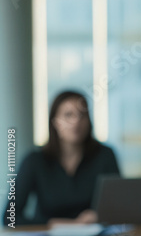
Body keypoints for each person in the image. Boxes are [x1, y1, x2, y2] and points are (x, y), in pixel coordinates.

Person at [2, 91, 120, 226]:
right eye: (68, 115)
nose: (76, 121)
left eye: (82, 115)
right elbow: (9, 217)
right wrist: (56, 223)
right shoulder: (34, 160)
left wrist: (99, 216)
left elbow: (119, 207)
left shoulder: (105, 155)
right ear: (55, 122)